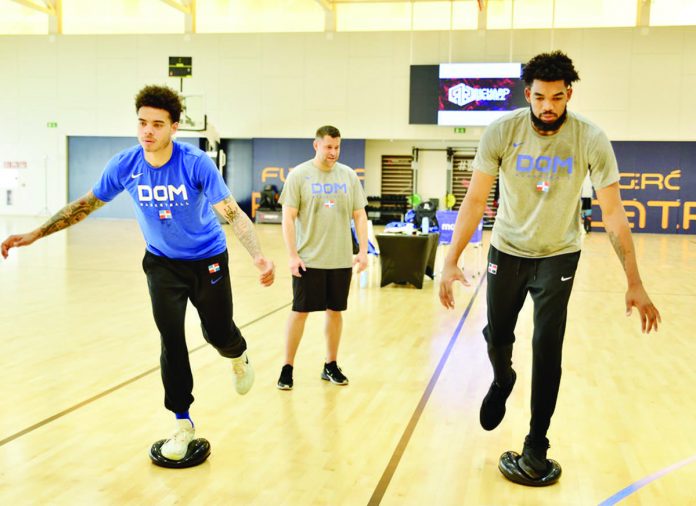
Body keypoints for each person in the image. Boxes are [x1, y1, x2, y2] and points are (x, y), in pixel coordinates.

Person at [1, 85, 275, 461]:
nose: (148, 131)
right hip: (162, 263)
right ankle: (182, 422)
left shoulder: (196, 164)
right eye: (143, 123)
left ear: (174, 127)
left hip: (207, 258)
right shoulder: (125, 165)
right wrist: (35, 233)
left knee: (218, 332)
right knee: (171, 340)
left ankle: (237, 356)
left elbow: (232, 212)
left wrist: (258, 257)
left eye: (157, 124)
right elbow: (84, 205)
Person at [439, 51, 661, 482]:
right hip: (507, 250)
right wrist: (450, 261)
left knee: (547, 348)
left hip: (559, 254)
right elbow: (474, 200)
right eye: (540, 97)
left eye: (557, 98)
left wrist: (635, 281)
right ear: (528, 94)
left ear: (568, 95)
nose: (548, 106)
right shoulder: (502, 132)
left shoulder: (590, 138)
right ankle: (502, 379)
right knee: (498, 334)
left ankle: (536, 446)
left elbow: (614, 214)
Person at [276, 125, 368, 390]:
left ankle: (330, 365)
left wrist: (362, 251)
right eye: (328, 146)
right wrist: (292, 255)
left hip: (340, 260)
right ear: (316, 145)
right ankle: (287, 367)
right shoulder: (300, 176)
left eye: (337, 147)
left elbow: (360, 216)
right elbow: (288, 218)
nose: (333, 152)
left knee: (335, 312)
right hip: (309, 260)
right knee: (299, 313)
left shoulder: (348, 176)